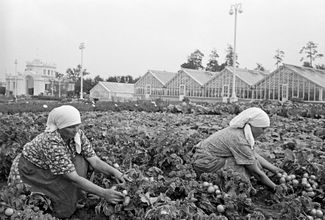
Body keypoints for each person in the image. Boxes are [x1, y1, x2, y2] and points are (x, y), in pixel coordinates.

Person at [8, 105, 130, 218]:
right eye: (71, 127)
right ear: (60, 126)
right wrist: (103, 193)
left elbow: (95, 161)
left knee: (82, 162)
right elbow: (73, 178)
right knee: (64, 208)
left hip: (56, 164)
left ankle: (78, 195)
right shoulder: (51, 141)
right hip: (34, 169)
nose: (76, 129)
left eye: (78, 125)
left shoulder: (78, 134)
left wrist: (116, 173)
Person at [192, 107, 283, 191]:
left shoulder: (241, 131)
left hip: (204, 157)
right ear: (253, 125)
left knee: (252, 162)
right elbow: (256, 172)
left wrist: (275, 169)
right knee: (242, 170)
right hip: (205, 163)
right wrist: (275, 188)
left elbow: (253, 154)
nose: (263, 132)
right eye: (263, 129)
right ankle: (223, 186)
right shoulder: (239, 138)